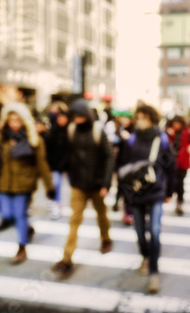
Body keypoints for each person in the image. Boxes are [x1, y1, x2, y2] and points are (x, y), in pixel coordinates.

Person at [0, 102, 55, 263]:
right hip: (5, 183)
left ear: (24, 121)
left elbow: (42, 164)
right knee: (6, 214)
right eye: (11, 120)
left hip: (24, 183)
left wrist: (49, 187)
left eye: (17, 120)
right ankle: (27, 228)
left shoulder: (33, 140)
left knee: (19, 215)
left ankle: (22, 247)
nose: (14, 123)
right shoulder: (2, 140)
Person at [52, 99, 114, 275]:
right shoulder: (71, 130)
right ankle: (67, 258)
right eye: (75, 116)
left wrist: (106, 183)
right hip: (78, 183)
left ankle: (106, 238)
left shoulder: (97, 131)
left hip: (96, 183)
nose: (77, 119)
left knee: (101, 215)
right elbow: (68, 154)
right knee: (74, 220)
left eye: (80, 115)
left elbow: (109, 157)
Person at [120, 104, 175, 293]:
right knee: (140, 233)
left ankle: (153, 270)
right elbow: (123, 168)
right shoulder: (131, 139)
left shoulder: (162, 139)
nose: (140, 120)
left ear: (151, 118)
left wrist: (170, 192)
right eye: (138, 117)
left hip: (156, 191)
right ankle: (146, 255)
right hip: (135, 193)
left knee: (155, 231)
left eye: (144, 117)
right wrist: (123, 194)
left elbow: (170, 166)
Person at [108, 111, 135, 225]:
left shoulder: (134, 131)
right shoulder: (119, 129)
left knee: (129, 187)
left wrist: (130, 139)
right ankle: (117, 202)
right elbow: (115, 145)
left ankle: (128, 211)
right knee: (120, 185)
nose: (124, 120)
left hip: (132, 163)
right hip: (121, 162)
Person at [167, 115, 190, 216]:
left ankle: (179, 202)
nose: (176, 126)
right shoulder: (169, 132)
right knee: (175, 182)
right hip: (171, 162)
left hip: (183, 162)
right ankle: (178, 200)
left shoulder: (187, 132)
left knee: (180, 182)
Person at [45, 110, 69, 220]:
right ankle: (56, 204)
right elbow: (49, 149)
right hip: (55, 164)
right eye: (59, 118)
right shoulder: (52, 132)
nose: (61, 120)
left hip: (69, 164)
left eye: (63, 118)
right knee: (56, 184)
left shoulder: (71, 131)